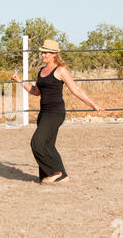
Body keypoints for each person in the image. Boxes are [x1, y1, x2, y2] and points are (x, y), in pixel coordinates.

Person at [12, 39, 105, 184]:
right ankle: (58, 176)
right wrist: (20, 81)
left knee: (36, 143)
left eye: (46, 52)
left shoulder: (61, 70)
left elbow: (76, 90)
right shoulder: (41, 71)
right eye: (42, 52)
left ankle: (56, 172)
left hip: (55, 113)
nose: (43, 55)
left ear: (54, 54)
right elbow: (36, 92)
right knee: (48, 145)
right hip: (44, 112)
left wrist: (94, 105)